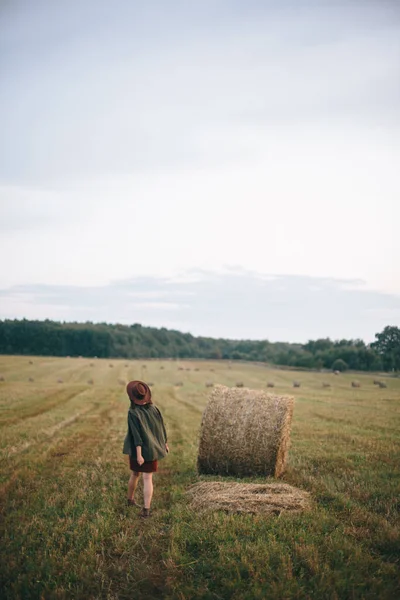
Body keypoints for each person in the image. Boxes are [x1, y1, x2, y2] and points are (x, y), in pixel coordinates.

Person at [123, 380, 169, 518]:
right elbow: (161, 428)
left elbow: (136, 436)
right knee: (147, 478)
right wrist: (164, 443)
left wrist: (139, 455)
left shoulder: (133, 412)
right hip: (152, 449)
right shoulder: (154, 409)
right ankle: (143, 507)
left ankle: (136, 504)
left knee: (135, 474)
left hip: (140, 451)